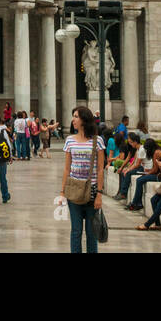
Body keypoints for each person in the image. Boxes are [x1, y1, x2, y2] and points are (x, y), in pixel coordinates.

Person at [62, 105, 105, 253]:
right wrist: (62, 192)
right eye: (73, 116)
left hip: (92, 191)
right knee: (76, 231)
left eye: (76, 116)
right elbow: (67, 169)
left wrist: (99, 194)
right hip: (74, 190)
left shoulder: (97, 141)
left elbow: (100, 169)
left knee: (91, 232)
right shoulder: (69, 140)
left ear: (84, 120)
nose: (73, 120)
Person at [128, 138, 161, 210]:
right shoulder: (158, 150)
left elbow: (155, 170)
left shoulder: (156, 153)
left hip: (160, 175)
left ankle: (135, 203)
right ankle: (138, 203)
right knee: (140, 179)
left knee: (139, 180)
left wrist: (147, 173)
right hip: (158, 173)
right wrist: (147, 172)